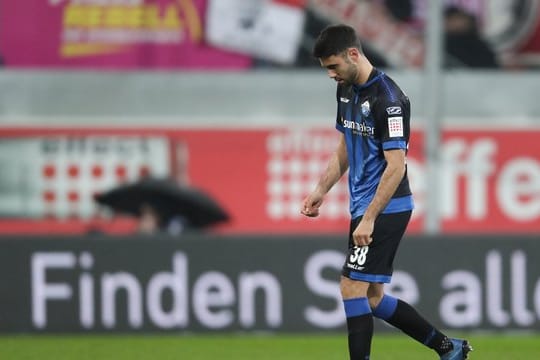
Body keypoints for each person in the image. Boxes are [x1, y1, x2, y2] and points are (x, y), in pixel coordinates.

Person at [301, 24, 473, 360]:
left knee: (351, 287)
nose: (330, 75)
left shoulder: (389, 100)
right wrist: (320, 189)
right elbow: (345, 147)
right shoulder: (346, 90)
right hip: (364, 208)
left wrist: (369, 219)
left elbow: (396, 167)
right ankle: (447, 348)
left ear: (353, 54)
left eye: (333, 66)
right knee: (373, 298)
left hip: (386, 208)